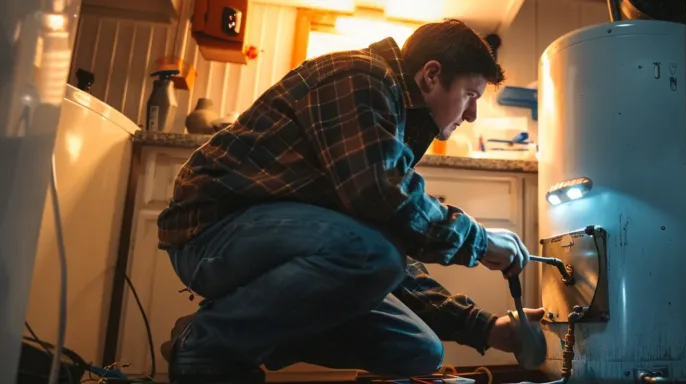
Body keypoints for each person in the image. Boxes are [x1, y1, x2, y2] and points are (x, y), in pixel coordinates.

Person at [158, 19, 546, 383]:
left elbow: (387, 250)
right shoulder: (361, 75)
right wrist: (478, 240)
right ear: (431, 75)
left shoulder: (397, 117)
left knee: (418, 350)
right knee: (372, 254)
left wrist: (484, 327)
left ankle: (237, 334)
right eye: (470, 95)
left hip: (273, 243)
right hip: (209, 234)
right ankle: (210, 341)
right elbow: (380, 201)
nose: (473, 114)